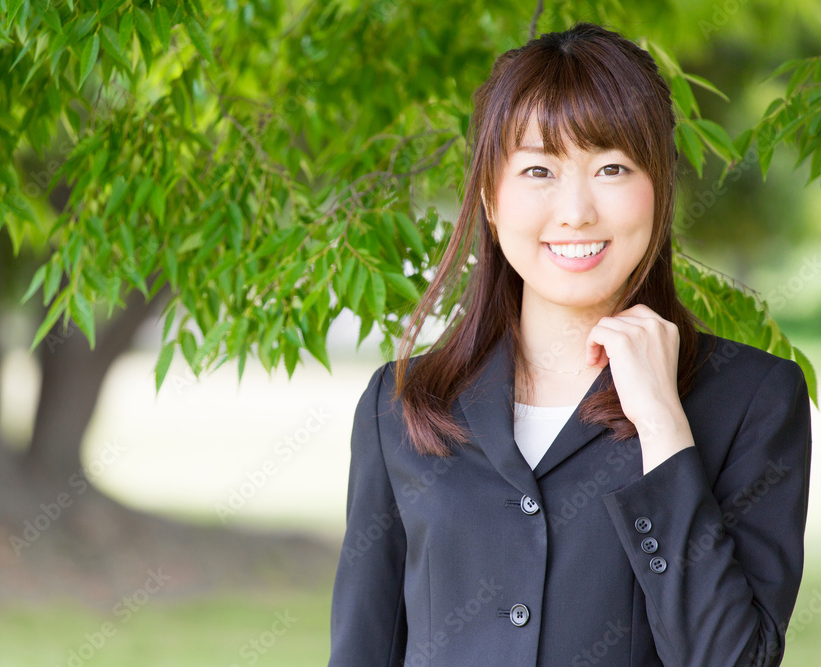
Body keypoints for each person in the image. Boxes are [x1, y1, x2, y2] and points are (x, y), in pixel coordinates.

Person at [327, 21, 813, 667]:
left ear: (660, 188)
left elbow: (730, 659)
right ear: (491, 199)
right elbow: (364, 646)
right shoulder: (403, 402)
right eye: (538, 169)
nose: (576, 210)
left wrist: (664, 425)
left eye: (612, 166)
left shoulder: (752, 399)